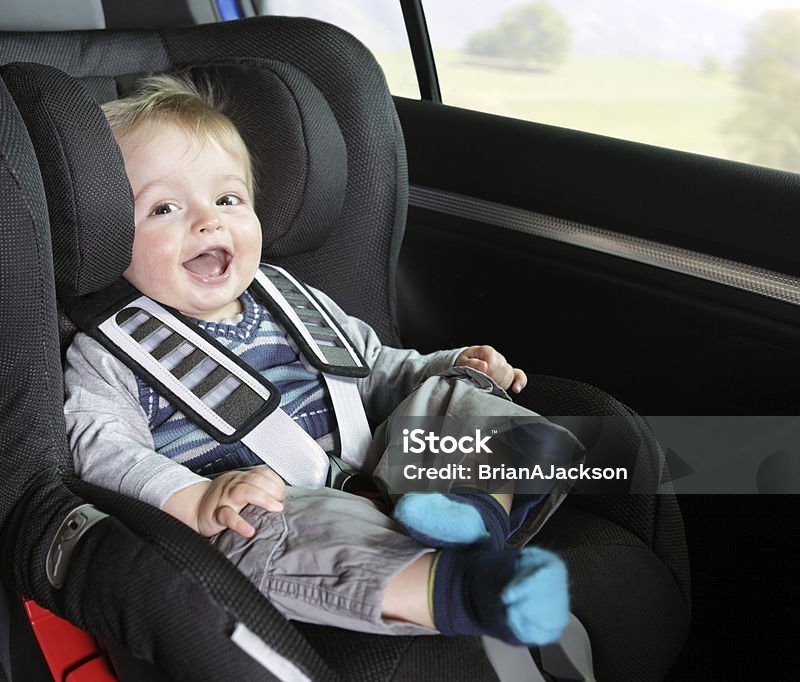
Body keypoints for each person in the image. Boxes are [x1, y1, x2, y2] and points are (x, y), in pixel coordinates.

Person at [64, 74, 579, 645]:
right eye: (163, 208)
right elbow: (100, 445)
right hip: (282, 503)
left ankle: (476, 509)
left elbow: (377, 369)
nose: (209, 221)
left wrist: (451, 367)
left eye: (229, 199)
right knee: (259, 534)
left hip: (397, 473)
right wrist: (195, 497)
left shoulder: (291, 298)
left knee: (456, 394)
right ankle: (462, 589)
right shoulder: (111, 349)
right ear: (111, 234)